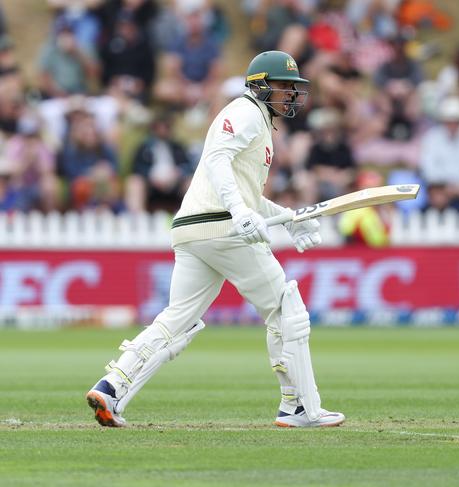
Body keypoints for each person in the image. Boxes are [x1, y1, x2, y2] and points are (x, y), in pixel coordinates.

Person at [85, 50, 345, 428]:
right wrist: (239, 213)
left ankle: (111, 387)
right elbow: (217, 159)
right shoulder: (246, 112)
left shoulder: (257, 122)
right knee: (286, 309)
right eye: (283, 86)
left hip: (193, 228)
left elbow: (249, 196)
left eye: (293, 87)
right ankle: (299, 406)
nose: (290, 94)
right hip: (223, 227)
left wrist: (289, 219)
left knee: (178, 320)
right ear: (259, 86)